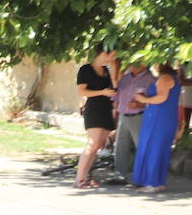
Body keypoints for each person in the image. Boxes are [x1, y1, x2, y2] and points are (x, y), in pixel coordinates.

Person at [129, 62, 183, 194]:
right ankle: (157, 182)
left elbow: (161, 98)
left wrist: (143, 99)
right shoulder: (172, 78)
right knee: (159, 149)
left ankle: (152, 182)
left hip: (158, 118)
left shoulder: (165, 78)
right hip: (162, 116)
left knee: (153, 148)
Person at [73, 49, 118, 189]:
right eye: (112, 54)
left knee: (98, 145)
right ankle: (78, 179)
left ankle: (86, 176)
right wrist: (102, 92)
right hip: (94, 109)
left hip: (106, 108)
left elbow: (114, 87)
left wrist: (115, 68)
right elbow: (81, 91)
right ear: (103, 53)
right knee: (92, 144)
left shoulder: (106, 70)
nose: (113, 57)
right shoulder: (86, 69)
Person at [111, 60, 154, 185]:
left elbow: (155, 99)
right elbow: (117, 97)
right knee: (120, 147)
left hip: (139, 117)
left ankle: (144, 178)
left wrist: (140, 103)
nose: (134, 65)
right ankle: (120, 176)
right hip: (123, 116)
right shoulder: (125, 78)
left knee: (141, 147)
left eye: (138, 62)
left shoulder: (150, 78)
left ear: (144, 63)